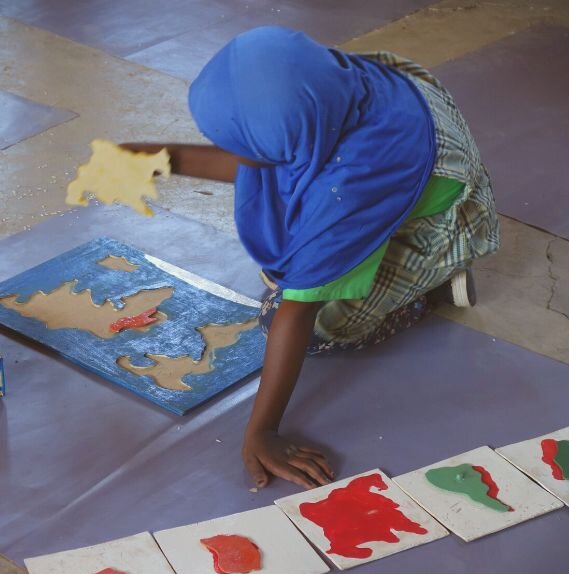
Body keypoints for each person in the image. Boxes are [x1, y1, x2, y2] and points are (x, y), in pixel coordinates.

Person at [122, 27, 499, 490]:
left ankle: (433, 287)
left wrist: (262, 431)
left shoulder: (351, 189)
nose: (237, 153)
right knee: (287, 206)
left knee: (314, 326)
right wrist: (160, 158)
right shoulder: (329, 84)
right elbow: (257, 157)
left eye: (245, 144)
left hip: (438, 222)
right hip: (412, 148)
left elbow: (298, 312)